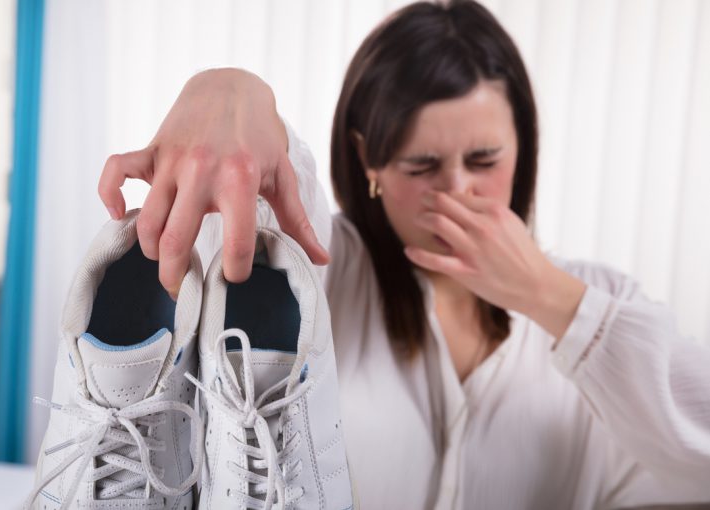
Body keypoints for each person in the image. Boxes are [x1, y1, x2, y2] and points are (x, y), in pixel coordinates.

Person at [97, 1, 710, 508]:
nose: (457, 191)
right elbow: (272, 184)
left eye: (485, 161)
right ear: (371, 163)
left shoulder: (598, 303)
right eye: (422, 166)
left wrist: (550, 299)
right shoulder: (329, 270)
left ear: (522, 148)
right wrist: (227, 89)